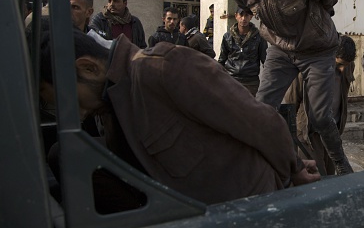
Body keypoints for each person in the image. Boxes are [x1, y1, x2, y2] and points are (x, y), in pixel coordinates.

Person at [38, 29, 320, 207]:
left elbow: (261, 122)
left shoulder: (162, 67)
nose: (79, 112)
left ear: (87, 68)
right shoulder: (111, 103)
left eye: (70, 100)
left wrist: (293, 169)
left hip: (245, 210)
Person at [223, 0, 353, 175]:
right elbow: (247, 6)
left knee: (319, 116)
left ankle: (340, 163)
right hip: (280, 49)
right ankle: (267, 163)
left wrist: (315, 25)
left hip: (317, 50)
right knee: (262, 108)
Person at [284, 34, 356, 175]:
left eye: (345, 65)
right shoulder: (305, 68)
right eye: (339, 64)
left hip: (332, 131)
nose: (342, 69)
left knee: (330, 175)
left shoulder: (348, 66)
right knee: (315, 176)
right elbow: (291, 102)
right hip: (309, 133)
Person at [218, 7, 268, 96]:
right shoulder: (227, 37)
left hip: (251, 81)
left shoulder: (259, 37)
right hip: (231, 79)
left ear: (251, 17)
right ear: (236, 16)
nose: (243, 18)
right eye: (241, 15)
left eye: (247, 15)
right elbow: (222, 59)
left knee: (249, 108)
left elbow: (265, 60)